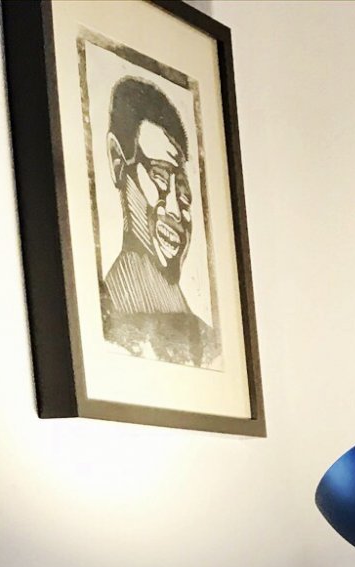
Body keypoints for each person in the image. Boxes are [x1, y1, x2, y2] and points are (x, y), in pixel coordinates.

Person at [99, 75, 213, 367]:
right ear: (118, 162)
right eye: (159, 177)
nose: (175, 209)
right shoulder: (105, 319)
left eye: (183, 193)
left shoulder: (208, 341)